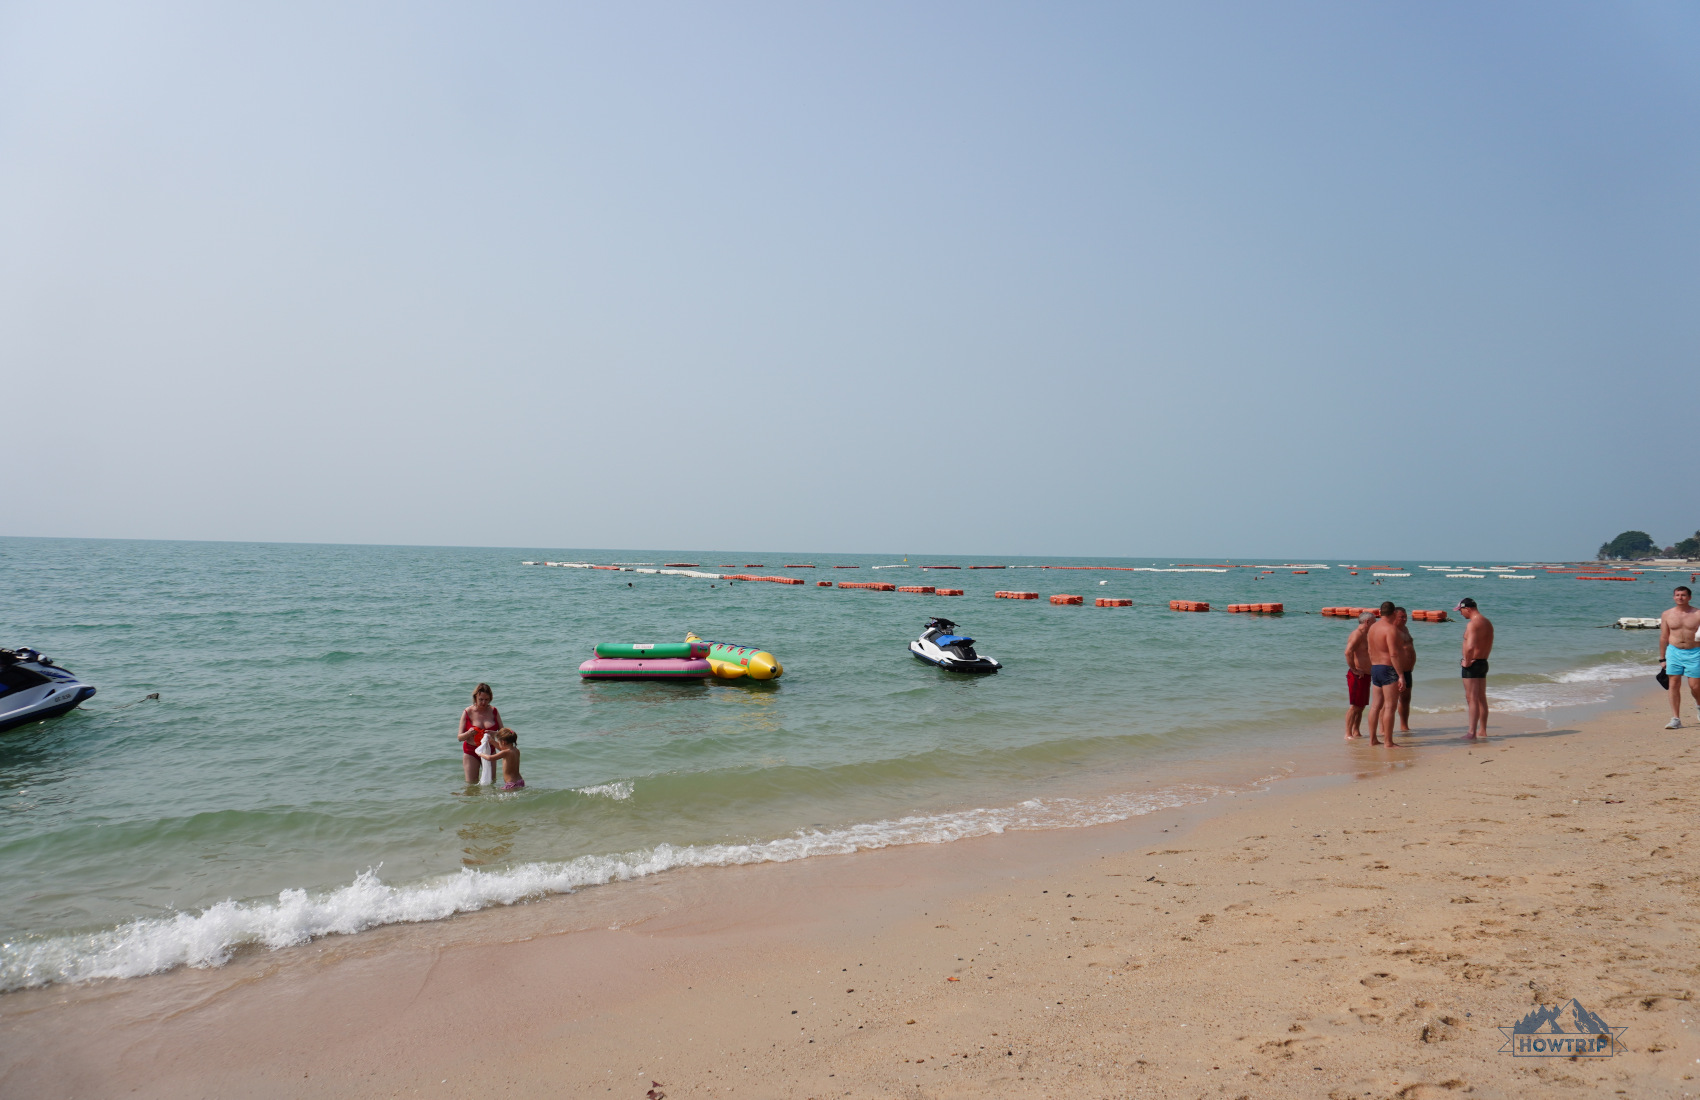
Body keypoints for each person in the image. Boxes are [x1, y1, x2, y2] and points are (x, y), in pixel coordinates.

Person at [1659, 586, 1700, 729]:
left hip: (1695, 652)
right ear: (1673, 597)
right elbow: (1664, 637)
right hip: (1674, 652)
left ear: (1689, 597)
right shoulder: (1667, 614)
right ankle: (1676, 719)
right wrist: (1662, 658)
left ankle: (1699, 706)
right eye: (1677, 595)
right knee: (1674, 684)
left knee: (1695, 686)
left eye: (1683, 595)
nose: (1680, 597)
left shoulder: (1698, 614)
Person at [1365, 601, 1402, 745]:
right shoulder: (1390, 629)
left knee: (1375, 706)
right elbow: (1393, 654)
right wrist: (1401, 675)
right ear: (1394, 613)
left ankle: (1373, 739)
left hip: (1375, 668)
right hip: (1388, 669)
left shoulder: (1373, 627)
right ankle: (1388, 742)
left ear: (1380, 613)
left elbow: (1369, 650)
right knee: (1390, 707)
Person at [1457, 597, 1494, 739]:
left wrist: (1466, 661)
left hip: (1472, 664)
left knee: (1471, 698)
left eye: (1461, 610)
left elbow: (1470, 646)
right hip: (1483, 662)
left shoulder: (1473, 624)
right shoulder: (1486, 622)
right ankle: (1482, 730)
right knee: (1480, 698)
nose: (1460, 614)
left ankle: (1471, 732)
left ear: (1468, 609)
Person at [458, 683, 502, 783]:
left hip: (490, 750)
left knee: (491, 782)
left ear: (490, 698)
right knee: (471, 784)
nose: (483, 702)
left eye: (486, 700)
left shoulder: (494, 711)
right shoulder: (468, 711)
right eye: (481, 699)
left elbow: (503, 734)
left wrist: (494, 733)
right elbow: (460, 737)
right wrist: (469, 733)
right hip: (471, 751)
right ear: (475, 697)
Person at [1344, 611, 1375, 740]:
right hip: (1357, 675)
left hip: (1366, 675)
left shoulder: (1366, 634)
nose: (1376, 624)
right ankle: (1348, 733)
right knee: (1354, 706)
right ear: (1367, 622)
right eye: (1374, 621)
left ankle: (1356, 731)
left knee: (1361, 706)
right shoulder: (1357, 634)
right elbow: (1348, 652)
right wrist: (1354, 669)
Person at [1392, 607, 1417, 734]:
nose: (1405, 619)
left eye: (1405, 616)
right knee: (1390, 701)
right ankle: (1383, 729)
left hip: (1408, 670)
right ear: (1394, 616)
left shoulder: (1405, 629)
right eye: (1401, 617)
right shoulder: (1392, 631)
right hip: (1396, 670)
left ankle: (1404, 726)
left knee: (1406, 699)